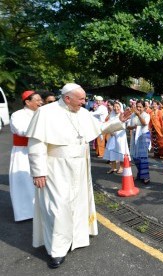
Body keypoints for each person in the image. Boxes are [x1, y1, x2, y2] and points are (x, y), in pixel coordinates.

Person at [26, 83, 131, 268]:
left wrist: (119, 121)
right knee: (58, 208)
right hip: (56, 167)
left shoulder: (82, 113)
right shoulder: (46, 113)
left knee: (78, 202)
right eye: (81, 99)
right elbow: (36, 144)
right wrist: (38, 171)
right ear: (67, 98)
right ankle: (57, 250)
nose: (85, 102)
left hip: (81, 165)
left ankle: (76, 237)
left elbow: (99, 128)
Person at [9, 90, 42, 222]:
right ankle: (25, 213)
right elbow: (21, 131)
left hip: (40, 152)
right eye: (38, 100)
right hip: (22, 152)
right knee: (23, 181)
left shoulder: (41, 114)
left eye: (41, 99)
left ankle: (40, 210)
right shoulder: (17, 115)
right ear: (28, 102)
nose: (41, 102)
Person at [127, 100, 151, 184]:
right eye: (137, 106)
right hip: (135, 136)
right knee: (135, 156)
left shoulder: (146, 115)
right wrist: (133, 127)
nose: (138, 108)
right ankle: (140, 173)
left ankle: (146, 177)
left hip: (144, 136)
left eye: (140, 107)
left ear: (144, 108)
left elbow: (144, 124)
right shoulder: (133, 115)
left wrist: (139, 115)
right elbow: (128, 126)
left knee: (143, 157)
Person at [103, 101, 130, 174]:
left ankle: (121, 167)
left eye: (117, 107)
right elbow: (107, 124)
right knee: (111, 150)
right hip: (112, 136)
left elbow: (125, 125)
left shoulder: (122, 114)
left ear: (120, 107)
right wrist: (110, 131)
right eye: (114, 106)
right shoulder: (111, 115)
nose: (116, 108)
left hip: (120, 136)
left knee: (121, 150)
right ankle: (113, 167)